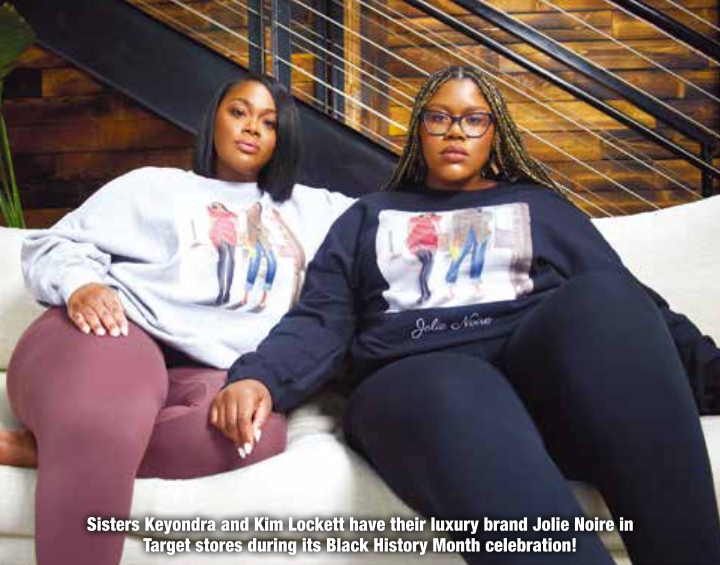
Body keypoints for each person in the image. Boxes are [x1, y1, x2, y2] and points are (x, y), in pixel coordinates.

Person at [214, 66, 720, 565]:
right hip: (419, 378)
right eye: (439, 118)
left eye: (473, 120)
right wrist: (261, 377)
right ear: (420, 130)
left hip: (537, 385)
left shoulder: (541, 207)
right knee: (453, 384)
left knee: (604, 296)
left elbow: (636, 312)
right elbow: (321, 318)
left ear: (495, 132)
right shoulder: (367, 216)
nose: (455, 131)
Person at [0, 74, 353, 565]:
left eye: (269, 122)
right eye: (239, 112)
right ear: (214, 120)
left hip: (217, 373)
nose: (252, 127)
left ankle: (57, 449)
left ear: (283, 138)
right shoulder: (153, 187)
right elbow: (53, 244)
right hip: (115, 334)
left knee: (255, 438)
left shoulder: (315, 211)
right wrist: (81, 284)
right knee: (103, 413)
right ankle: (87, 439)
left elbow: (396, 225)